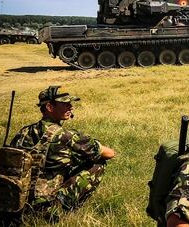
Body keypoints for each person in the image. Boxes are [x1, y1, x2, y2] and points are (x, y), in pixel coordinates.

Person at [10, 86, 116, 215]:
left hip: (16, 200)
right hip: (46, 205)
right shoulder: (66, 136)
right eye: (65, 104)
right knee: (98, 164)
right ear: (49, 107)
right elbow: (110, 153)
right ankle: (62, 210)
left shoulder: (23, 132)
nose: (71, 107)